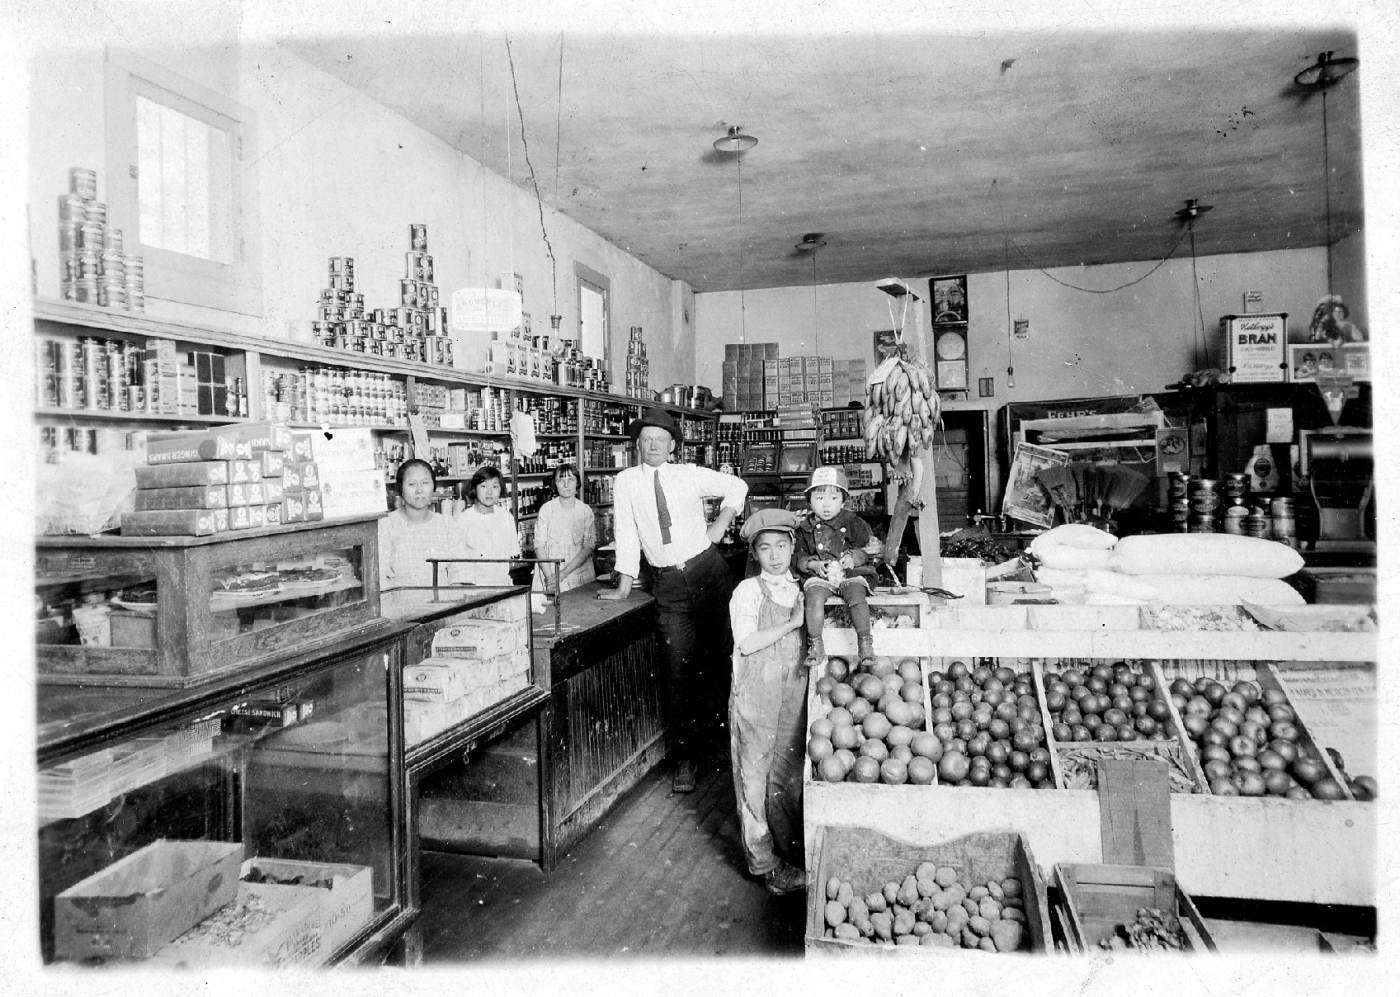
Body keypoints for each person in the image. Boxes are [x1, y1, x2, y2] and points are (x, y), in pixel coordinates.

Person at [600, 406, 748, 793]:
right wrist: (623, 585)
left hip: (709, 574)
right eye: (646, 439)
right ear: (637, 445)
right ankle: (685, 758)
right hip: (667, 585)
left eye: (661, 440)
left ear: (672, 446)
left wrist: (719, 525)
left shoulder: (689, 474)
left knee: (719, 660)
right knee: (677, 669)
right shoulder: (626, 482)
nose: (653, 445)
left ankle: (722, 744)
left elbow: (738, 487)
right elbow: (626, 532)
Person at [728, 508, 808, 896]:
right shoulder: (747, 591)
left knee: (789, 775)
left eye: (781, 546)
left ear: (793, 547)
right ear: (755, 553)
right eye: (764, 548)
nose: (774, 555)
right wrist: (792, 623)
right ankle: (765, 864)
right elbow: (747, 642)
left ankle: (791, 855)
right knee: (754, 779)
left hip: (794, 690)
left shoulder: (804, 588)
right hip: (756, 694)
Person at [794, 465, 877, 669]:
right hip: (821, 577)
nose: (826, 505)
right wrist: (812, 564)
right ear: (809, 501)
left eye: (833, 498)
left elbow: (870, 549)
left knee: (856, 596)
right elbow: (798, 556)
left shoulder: (853, 522)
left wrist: (855, 557)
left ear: (843, 500)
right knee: (813, 598)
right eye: (819, 498)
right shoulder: (804, 528)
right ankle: (815, 644)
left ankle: (865, 642)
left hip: (849, 574)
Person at [378, 458, 469, 589]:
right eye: (411, 484)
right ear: (401, 489)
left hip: (444, 600)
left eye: (425, 483)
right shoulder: (385, 526)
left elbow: (461, 571)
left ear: (433, 486)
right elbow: (379, 577)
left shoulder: (447, 525)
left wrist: (454, 596)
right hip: (399, 600)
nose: (419, 490)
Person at [533, 463, 598, 594]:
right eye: (561, 480)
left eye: (571, 479)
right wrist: (550, 578)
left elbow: (588, 547)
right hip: (549, 573)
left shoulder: (585, 511)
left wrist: (563, 574)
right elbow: (539, 546)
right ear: (555, 484)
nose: (566, 485)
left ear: (577, 482)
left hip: (577, 574)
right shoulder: (546, 510)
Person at [460, 464, 521, 586]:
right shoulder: (463, 520)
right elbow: (458, 565)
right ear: (475, 489)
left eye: (495, 486)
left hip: (502, 586)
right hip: (474, 587)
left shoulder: (506, 518)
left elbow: (511, 557)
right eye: (483, 486)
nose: (489, 492)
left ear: (500, 490)